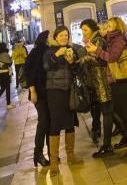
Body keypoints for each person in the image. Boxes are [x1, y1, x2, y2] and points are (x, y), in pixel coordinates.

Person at [86, 17, 127, 164]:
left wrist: (97, 51)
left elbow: (112, 58)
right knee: (124, 116)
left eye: (110, 25)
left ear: (117, 27)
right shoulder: (111, 40)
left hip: (122, 82)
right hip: (115, 81)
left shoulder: (118, 39)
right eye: (107, 25)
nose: (107, 27)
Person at [43, 26, 87, 175]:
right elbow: (46, 66)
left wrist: (72, 62)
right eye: (61, 35)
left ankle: (71, 155)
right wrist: (56, 55)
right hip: (54, 91)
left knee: (70, 122)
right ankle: (54, 161)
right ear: (55, 37)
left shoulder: (71, 50)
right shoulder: (49, 51)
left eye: (66, 35)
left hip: (69, 90)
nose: (64, 37)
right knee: (55, 123)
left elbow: (77, 70)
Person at [80, 19, 115, 156]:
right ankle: (123, 137)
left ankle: (107, 145)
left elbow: (99, 60)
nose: (83, 32)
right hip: (95, 82)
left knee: (108, 113)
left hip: (102, 81)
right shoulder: (91, 41)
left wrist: (82, 59)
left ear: (93, 30)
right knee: (109, 112)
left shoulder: (98, 40)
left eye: (85, 30)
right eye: (82, 30)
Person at [24, 31, 52, 167]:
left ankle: (51, 153)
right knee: (44, 120)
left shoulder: (44, 50)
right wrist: (32, 90)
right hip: (39, 93)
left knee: (48, 121)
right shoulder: (39, 52)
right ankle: (38, 154)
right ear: (45, 40)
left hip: (47, 92)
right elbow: (29, 72)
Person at [0, 43, 14, 109]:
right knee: (7, 88)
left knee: (3, 88)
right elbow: (10, 63)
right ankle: (8, 104)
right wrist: (10, 58)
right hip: (5, 73)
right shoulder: (5, 54)